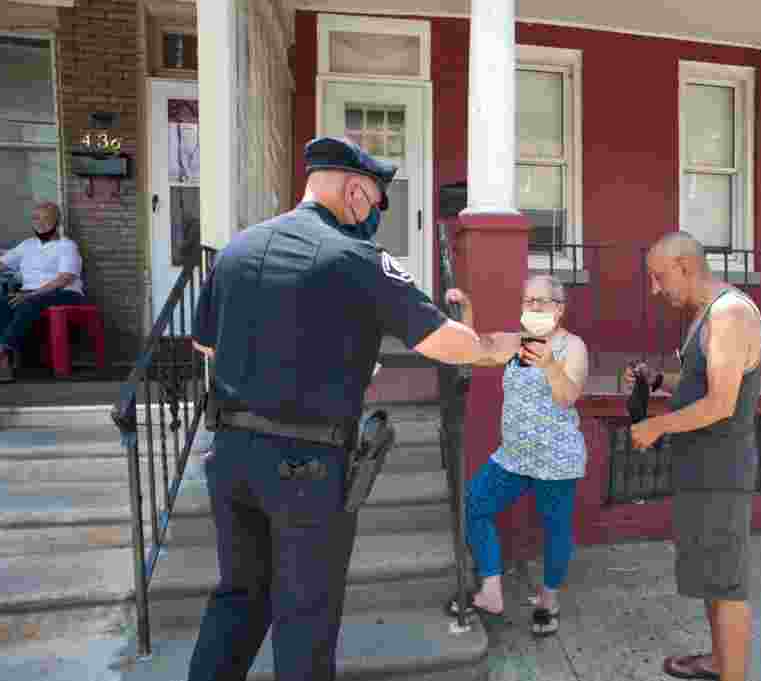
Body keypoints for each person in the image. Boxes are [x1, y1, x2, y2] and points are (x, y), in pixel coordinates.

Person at [186, 136, 521, 681]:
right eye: (375, 205)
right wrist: (494, 347)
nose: (372, 218)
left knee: (239, 599)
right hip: (305, 464)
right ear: (357, 190)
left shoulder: (238, 250)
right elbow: (439, 339)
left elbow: (206, 345)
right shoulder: (356, 257)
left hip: (230, 455)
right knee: (305, 618)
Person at [624, 231, 761, 681]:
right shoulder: (707, 314)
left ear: (685, 267)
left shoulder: (730, 314)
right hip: (701, 469)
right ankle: (720, 662)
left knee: (727, 584)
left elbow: (721, 403)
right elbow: (702, 385)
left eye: (658, 277)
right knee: (711, 575)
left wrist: (656, 425)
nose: (654, 289)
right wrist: (658, 381)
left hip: (721, 473)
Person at [444, 274, 590, 637]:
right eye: (528, 301)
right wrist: (468, 309)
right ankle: (491, 589)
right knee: (474, 504)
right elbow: (473, 349)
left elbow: (567, 397)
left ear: (559, 308)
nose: (533, 307)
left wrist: (549, 365)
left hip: (556, 459)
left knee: (555, 530)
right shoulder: (515, 342)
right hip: (514, 457)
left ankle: (548, 600)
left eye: (541, 301)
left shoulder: (573, 346)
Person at [0, 201, 86, 382]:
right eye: (35, 218)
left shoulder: (67, 246)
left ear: (57, 221)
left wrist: (31, 294)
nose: (39, 222)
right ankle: (4, 367)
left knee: (29, 301)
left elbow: (64, 279)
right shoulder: (27, 245)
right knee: (2, 303)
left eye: (45, 218)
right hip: (31, 294)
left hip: (65, 293)